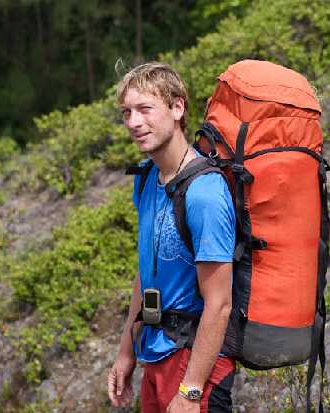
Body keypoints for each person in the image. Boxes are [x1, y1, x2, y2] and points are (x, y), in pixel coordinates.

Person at [107, 62, 236, 413]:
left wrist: (191, 390)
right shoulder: (147, 177)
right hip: (155, 353)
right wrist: (126, 350)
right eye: (126, 112)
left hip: (194, 365)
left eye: (145, 109)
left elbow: (219, 303)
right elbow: (148, 271)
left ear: (177, 108)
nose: (133, 122)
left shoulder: (205, 194)